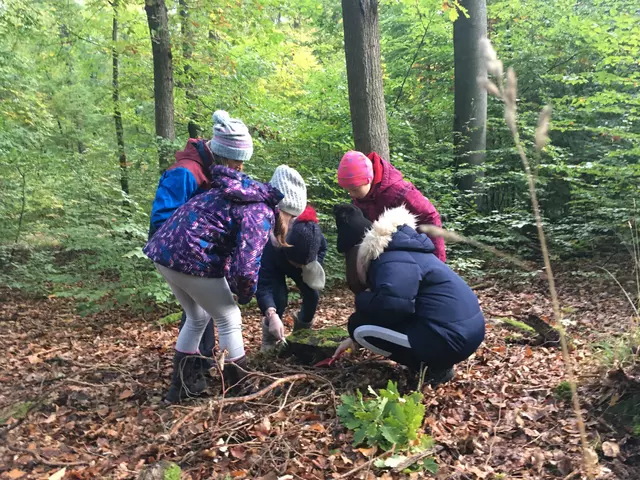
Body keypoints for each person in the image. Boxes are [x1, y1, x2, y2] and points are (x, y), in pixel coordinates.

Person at [143, 164, 307, 403]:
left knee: (197, 317)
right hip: (190, 258)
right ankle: (242, 388)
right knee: (230, 318)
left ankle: (179, 390)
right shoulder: (260, 212)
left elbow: (222, 241)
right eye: (291, 217)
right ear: (286, 209)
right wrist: (243, 295)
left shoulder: (239, 193)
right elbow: (247, 265)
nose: (290, 223)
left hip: (164, 252)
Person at [147, 110, 253, 395]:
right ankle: (236, 385)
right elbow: (163, 218)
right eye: (237, 162)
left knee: (199, 315)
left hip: (191, 253)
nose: (240, 169)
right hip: (179, 251)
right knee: (221, 315)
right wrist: (201, 236)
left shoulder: (209, 171)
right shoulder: (185, 172)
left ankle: (184, 385)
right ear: (221, 154)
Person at [331, 203, 485, 387]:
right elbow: (403, 306)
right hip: (466, 332)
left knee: (359, 326)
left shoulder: (391, 259)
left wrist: (361, 300)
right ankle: (437, 363)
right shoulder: (406, 250)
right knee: (363, 325)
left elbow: (394, 307)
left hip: (452, 339)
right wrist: (353, 341)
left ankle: (434, 369)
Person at [336, 150, 447, 263]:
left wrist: (437, 260)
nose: (351, 194)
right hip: (382, 256)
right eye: (348, 190)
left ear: (368, 179)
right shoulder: (362, 195)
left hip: (413, 253)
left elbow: (430, 217)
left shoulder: (399, 192)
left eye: (354, 189)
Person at [257, 204, 327, 350]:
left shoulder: (314, 234)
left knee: (312, 295)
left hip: (306, 265)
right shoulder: (270, 245)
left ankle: (301, 336)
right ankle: (270, 340)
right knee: (279, 298)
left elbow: (322, 250)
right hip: (276, 265)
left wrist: (312, 265)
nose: (296, 265)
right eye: (295, 262)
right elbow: (264, 284)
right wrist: (271, 313)